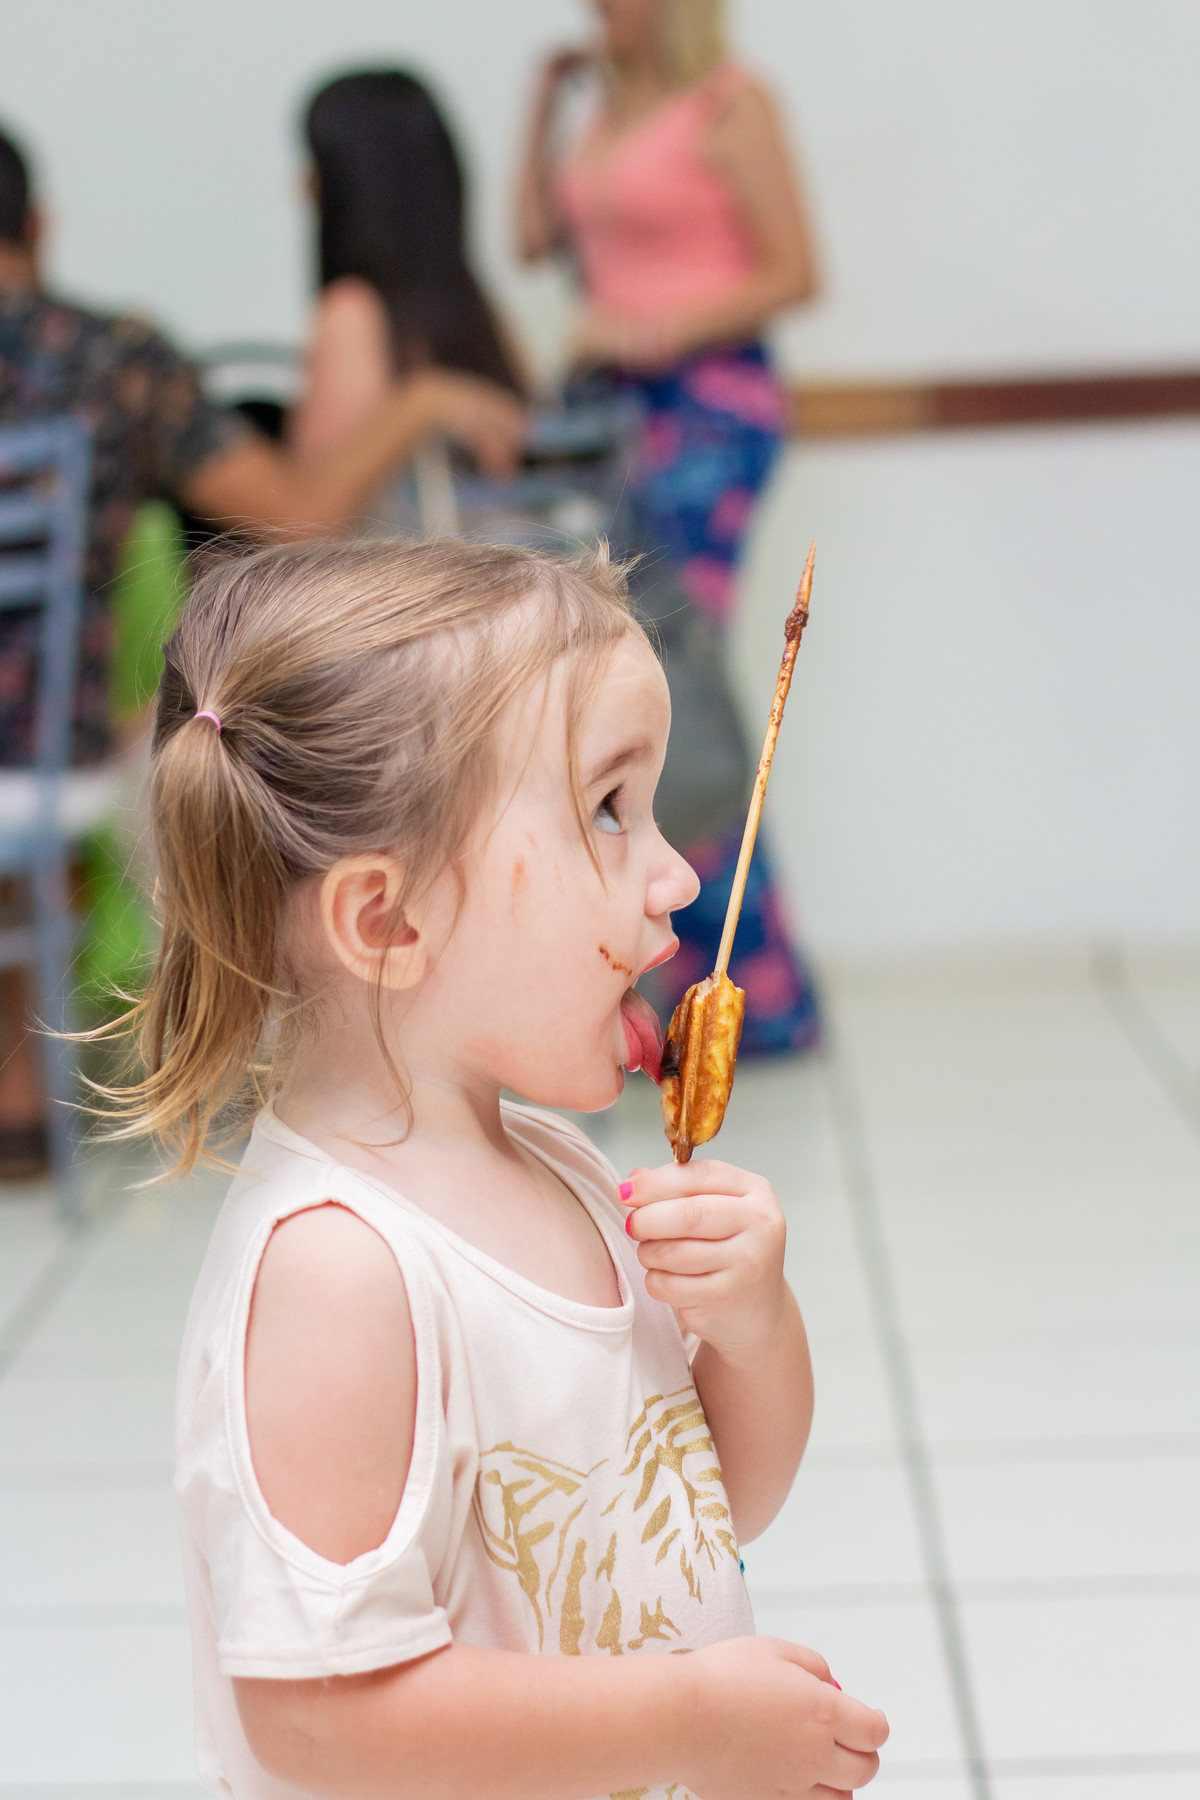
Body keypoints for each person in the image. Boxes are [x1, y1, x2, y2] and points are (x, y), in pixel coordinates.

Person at [99, 535, 888, 1799]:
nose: (679, 874)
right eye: (606, 810)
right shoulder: (339, 1271)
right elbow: (321, 1716)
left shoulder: (564, 1170)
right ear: (390, 921)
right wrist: (688, 1719)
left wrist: (753, 1329)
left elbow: (711, 1506)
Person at [0, 123, 524, 1176]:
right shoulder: (115, 359)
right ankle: (22, 1092)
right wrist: (418, 402)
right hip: (37, 770)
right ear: (40, 224)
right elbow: (297, 523)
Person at [516, 0, 821, 1056]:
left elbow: (797, 272)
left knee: (672, 692)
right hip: (617, 413)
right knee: (646, 694)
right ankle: (737, 989)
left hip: (709, 407)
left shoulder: (732, 105)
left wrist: (646, 330)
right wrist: (547, 104)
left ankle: (741, 994)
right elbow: (528, 240)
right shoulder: (603, 116)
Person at [289, 68, 526, 463]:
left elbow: (313, 511)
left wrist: (420, 405)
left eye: (318, 165)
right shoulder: (477, 313)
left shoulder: (352, 314)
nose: (301, 187)